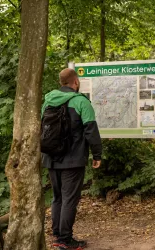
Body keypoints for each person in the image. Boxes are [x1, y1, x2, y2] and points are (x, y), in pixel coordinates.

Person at [41, 68, 102, 249]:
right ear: (75, 82)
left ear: (61, 82)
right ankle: (65, 240)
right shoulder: (81, 102)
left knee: (57, 197)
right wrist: (97, 154)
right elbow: (91, 130)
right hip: (73, 160)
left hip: (51, 158)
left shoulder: (47, 102)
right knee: (69, 199)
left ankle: (58, 236)